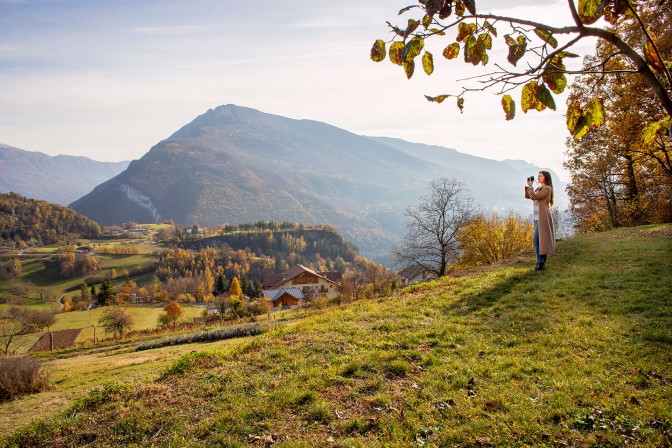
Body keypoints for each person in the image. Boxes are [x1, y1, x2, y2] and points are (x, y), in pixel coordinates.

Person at [524, 170, 555, 271]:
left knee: (537, 240)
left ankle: (540, 263)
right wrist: (529, 186)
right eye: (538, 176)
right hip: (537, 218)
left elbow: (534, 197)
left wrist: (531, 187)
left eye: (540, 176)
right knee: (539, 240)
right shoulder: (539, 188)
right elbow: (528, 196)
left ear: (546, 177)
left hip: (542, 217)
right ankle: (540, 263)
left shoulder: (547, 189)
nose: (538, 178)